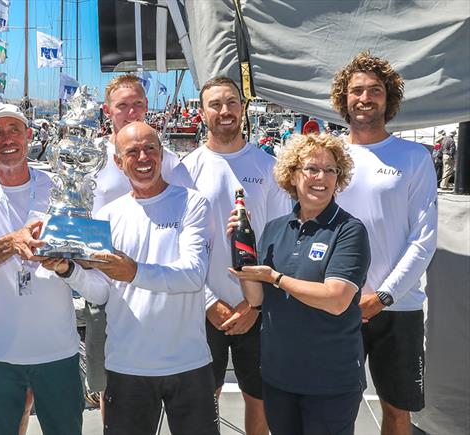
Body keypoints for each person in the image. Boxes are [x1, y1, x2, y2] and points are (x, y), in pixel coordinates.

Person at [44, 122, 219, 435]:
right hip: (126, 366)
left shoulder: (192, 203)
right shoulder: (107, 215)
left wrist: (133, 272)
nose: (143, 157)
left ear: (162, 154)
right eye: (132, 151)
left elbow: (193, 275)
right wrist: (68, 271)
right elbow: (101, 293)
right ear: (118, 162)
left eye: (150, 148)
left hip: (188, 363)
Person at [0, 103, 83, 435]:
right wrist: (11, 243)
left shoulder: (62, 188)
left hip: (58, 349)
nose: (6, 139)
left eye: (14, 130)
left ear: (28, 135)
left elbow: (85, 257)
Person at [230, 133, 371, 435]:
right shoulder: (273, 229)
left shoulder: (348, 231)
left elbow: (336, 300)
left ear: (339, 178)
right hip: (279, 377)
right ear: (293, 175)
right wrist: (244, 259)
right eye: (311, 168)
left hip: (329, 382)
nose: (321, 177)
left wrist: (276, 278)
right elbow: (257, 300)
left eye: (330, 170)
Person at [330, 51, 437, 435]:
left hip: (399, 306)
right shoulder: (329, 155)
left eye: (375, 90)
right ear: (343, 99)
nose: (364, 98)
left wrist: (383, 297)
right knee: (334, 408)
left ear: (388, 98)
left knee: (397, 413)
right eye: (356, 91)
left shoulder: (414, 157)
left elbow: (423, 239)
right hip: (337, 304)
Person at [178, 75, 291, 435]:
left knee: (259, 401)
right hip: (203, 307)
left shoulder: (268, 166)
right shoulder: (186, 170)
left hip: (257, 309)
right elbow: (178, 243)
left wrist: (254, 304)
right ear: (201, 112)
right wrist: (210, 301)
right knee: (201, 403)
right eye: (215, 104)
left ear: (242, 109)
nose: (224, 111)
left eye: (231, 102)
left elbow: (281, 240)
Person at [82, 74, 189, 411]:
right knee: (107, 384)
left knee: (164, 382)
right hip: (104, 282)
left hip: (157, 283)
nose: (131, 112)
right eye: (122, 106)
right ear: (107, 111)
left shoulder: (166, 159)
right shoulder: (87, 156)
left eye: (138, 104)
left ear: (147, 108)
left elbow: (190, 208)